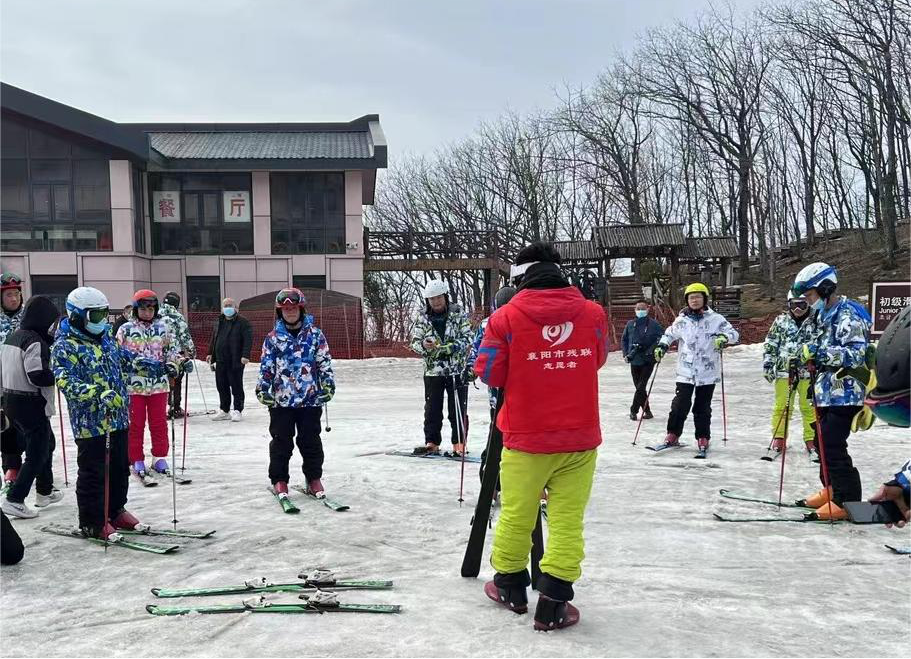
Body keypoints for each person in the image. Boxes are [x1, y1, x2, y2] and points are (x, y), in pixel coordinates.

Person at [474, 242, 608, 631]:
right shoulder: (592, 313)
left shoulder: (505, 318)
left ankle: (511, 587)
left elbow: (490, 373)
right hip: (580, 438)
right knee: (567, 519)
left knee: (517, 514)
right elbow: (596, 359)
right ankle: (554, 601)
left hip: (525, 436)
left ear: (521, 277)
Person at [52, 287, 138, 539]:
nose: (102, 321)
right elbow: (64, 379)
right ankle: (92, 521)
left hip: (118, 416)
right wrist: (95, 392)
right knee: (95, 471)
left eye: (104, 314)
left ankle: (115, 510)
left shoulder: (107, 340)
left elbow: (128, 361)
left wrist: (164, 366)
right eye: (96, 316)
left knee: (121, 467)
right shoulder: (65, 345)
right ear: (78, 316)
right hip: (91, 423)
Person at [792, 263, 871, 521]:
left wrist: (821, 353)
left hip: (846, 391)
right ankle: (830, 488)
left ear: (825, 288)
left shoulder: (848, 313)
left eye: (809, 295)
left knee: (833, 442)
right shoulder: (824, 313)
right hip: (825, 390)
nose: (807, 301)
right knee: (821, 440)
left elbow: (857, 353)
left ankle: (845, 499)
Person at [256, 288, 335, 498]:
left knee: (310, 441)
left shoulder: (316, 335)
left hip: (310, 399)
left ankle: (313, 479)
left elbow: (324, 363)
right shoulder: (272, 339)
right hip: (282, 401)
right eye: (285, 309)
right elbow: (266, 367)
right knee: (281, 442)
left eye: (293, 308)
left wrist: (327, 384)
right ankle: (280, 480)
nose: (290, 312)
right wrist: (263, 388)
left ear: (301, 309)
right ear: (280, 312)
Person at [654, 282, 739, 456]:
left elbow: (734, 334)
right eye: (691, 298)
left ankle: (703, 437)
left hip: (707, 373)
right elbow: (669, 334)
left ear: (705, 299)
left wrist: (723, 337)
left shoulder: (716, 319)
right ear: (687, 300)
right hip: (685, 372)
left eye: (698, 297)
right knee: (679, 405)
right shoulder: (682, 320)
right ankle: (673, 434)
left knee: (702, 407)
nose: (694, 300)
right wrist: (662, 346)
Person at [0, 296, 61, 518]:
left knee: (47, 443)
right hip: (30, 402)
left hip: (10, 400)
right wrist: (56, 376)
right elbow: (36, 375)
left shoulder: (12, 338)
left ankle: (44, 490)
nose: (52, 328)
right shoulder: (34, 341)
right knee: (37, 452)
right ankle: (15, 499)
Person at [116, 290, 183, 482]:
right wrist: (133, 364)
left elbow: (172, 351)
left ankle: (159, 457)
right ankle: (136, 458)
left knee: (159, 422)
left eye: (151, 309)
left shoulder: (163, 328)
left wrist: (174, 364)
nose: (147, 312)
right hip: (134, 386)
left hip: (158, 386)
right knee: (136, 424)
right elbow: (117, 355)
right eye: (143, 309)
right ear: (136, 309)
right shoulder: (125, 329)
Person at [409, 279, 473, 456]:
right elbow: (414, 342)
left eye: (438, 298)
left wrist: (450, 347)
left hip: (456, 370)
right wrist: (424, 344)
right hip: (433, 371)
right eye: (431, 299)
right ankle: (432, 442)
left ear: (445, 296)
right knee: (432, 409)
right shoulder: (422, 317)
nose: (435, 302)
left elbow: (468, 338)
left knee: (458, 408)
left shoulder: (458, 313)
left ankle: (459, 443)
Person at [467, 285, 517, 490]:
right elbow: (478, 350)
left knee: (504, 435)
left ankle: (499, 482)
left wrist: (472, 367)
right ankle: (493, 483)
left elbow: (477, 351)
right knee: (499, 435)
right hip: (504, 394)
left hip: (511, 392)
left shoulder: (497, 322)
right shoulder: (490, 323)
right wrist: (471, 369)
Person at [761, 292, 818, 458]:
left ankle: (811, 439)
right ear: (788, 305)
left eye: (802, 304)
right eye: (794, 304)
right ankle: (779, 437)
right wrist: (768, 365)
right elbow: (771, 343)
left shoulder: (816, 320)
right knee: (783, 405)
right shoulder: (781, 320)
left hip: (808, 371)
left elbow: (821, 341)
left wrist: (814, 356)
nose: (798, 309)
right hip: (784, 370)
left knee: (809, 407)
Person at [206, 298, 253, 422]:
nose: (227, 308)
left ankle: (237, 410)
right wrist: (210, 353)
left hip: (236, 359)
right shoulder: (219, 321)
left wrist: (245, 355)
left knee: (236, 385)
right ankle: (224, 410)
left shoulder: (243, 322)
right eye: (225, 305)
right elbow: (214, 338)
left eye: (230, 305)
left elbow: (248, 340)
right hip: (220, 359)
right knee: (221, 385)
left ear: (235, 307)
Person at [0, 273, 25, 488]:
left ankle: (40, 470)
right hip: (2, 384)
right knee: (6, 427)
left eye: (16, 294)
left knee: (29, 426)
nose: (14, 299)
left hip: (25, 382)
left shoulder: (27, 319)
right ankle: (11, 467)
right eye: (9, 295)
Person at [621, 299, 664, 421]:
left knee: (641, 386)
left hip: (648, 360)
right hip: (634, 359)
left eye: (643, 308)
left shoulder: (654, 324)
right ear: (634, 310)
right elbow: (624, 340)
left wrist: (651, 350)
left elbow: (661, 339)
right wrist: (626, 353)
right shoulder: (630, 324)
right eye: (638, 308)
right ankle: (648, 411)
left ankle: (633, 410)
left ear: (648, 309)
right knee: (639, 387)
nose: (640, 311)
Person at [159, 292, 196, 420]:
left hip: (158, 353)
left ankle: (159, 408)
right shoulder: (176, 317)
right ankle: (174, 407)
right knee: (176, 380)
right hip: (175, 353)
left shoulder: (155, 314)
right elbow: (184, 335)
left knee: (162, 381)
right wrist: (191, 351)